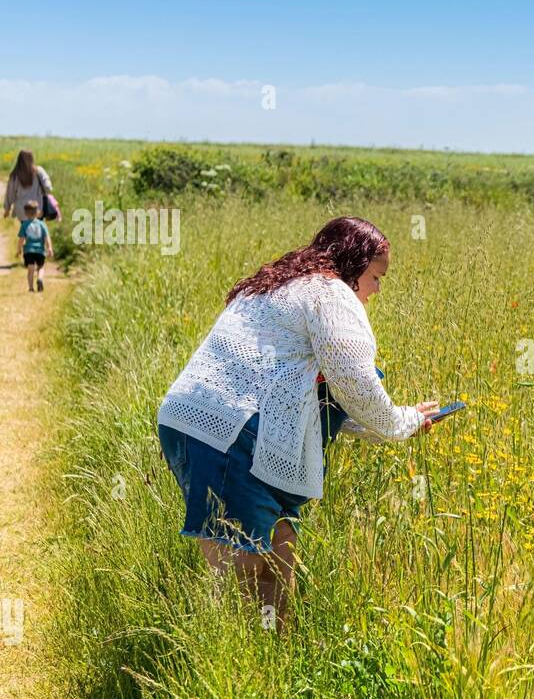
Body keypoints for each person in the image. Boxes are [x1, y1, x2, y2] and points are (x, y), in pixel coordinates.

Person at [156, 216, 440, 630]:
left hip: (190, 421)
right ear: (353, 264)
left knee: (275, 546)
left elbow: (318, 397)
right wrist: (399, 422)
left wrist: (405, 421)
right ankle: (245, 659)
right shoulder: (331, 292)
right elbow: (354, 379)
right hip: (231, 431)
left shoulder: (272, 287)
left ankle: (257, 651)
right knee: (256, 561)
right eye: (376, 277)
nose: (377, 289)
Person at [2, 149, 52, 222]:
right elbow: (48, 188)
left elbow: (10, 194)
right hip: (37, 209)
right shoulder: (39, 171)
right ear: (32, 159)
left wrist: (7, 208)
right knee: (38, 230)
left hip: (22, 210)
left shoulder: (15, 174)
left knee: (25, 230)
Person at [17, 200, 53, 292]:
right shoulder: (42, 224)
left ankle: (31, 288)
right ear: (37, 212)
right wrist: (49, 248)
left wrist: (19, 249)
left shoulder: (24, 225)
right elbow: (46, 237)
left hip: (28, 251)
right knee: (41, 267)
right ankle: (40, 279)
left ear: (25, 213)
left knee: (30, 269)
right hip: (40, 250)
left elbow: (21, 239)